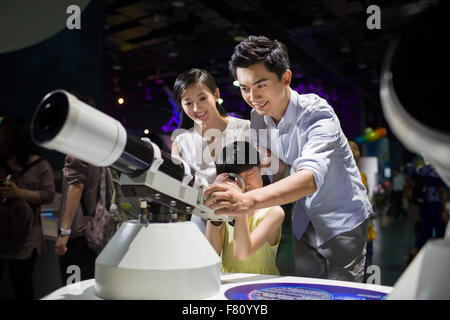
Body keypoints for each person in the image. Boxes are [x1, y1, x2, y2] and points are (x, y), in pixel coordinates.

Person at [204, 35, 372, 282]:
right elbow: (275, 167)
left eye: (261, 85)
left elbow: (309, 178)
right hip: (305, 217)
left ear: (286, 78)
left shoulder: (318, 114)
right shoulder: (258, 117)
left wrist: (248, 201)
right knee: (305, 289)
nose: (253, 96)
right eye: (244, 88)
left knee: (342, 291)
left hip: (342, 216)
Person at [171, 68, 251, 233]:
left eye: (202, 98)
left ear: (216, 95)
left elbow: (262, 178)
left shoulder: (245, 129)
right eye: (188, 103)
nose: (196, 108)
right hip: (202, 219)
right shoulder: (181, 141)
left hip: (242, 214)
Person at [205, 141, 284, 275]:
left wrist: (240, 204)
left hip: (262, 284)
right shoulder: (225, 210)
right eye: (237, 179)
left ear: (261, 168)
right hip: (227, 281)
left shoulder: (274, 212)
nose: (244, 184)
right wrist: (214, 207)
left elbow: (242, 253)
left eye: (250, 175)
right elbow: (211, 254)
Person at [0, 117, 55, 300]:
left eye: (5, 134)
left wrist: (20, 193)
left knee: (22, 283)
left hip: (26, 237)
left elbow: (49, 195)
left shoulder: (40, 165)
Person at [349, 140, 376, 283]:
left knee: (366, 272)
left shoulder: (363, 176)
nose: (354, 152)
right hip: (348, 236)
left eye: (356, 148)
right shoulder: (339, 176)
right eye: (349, 148)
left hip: (366, 234)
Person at [408, 163, 448, 260]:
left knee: (426, 231)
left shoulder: (421, 170)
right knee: (440, 230)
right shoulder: (437, 171)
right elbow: (441, 191)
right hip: (436, 205)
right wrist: (444, 209)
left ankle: (415, 251)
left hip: (424, 205)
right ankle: (440, 256)